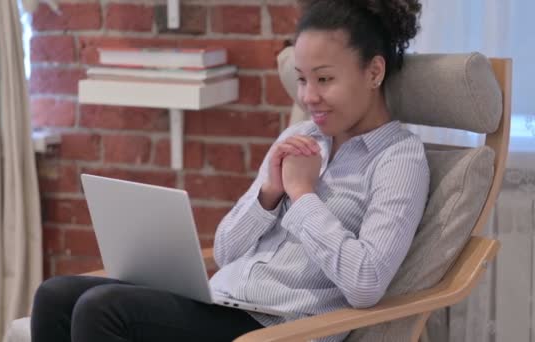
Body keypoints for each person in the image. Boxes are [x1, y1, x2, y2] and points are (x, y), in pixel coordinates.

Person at [30, 0, 428, 341]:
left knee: (104, 310)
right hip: (223, 300)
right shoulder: (301, 137)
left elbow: (366, 283)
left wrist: (303, 195)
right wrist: (269, 194)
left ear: (374, 72)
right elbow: (225, 251)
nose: (308, 97)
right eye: (303, 79)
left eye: (324, 79)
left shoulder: (398, 159)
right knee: (54, 295)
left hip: (274, 327)